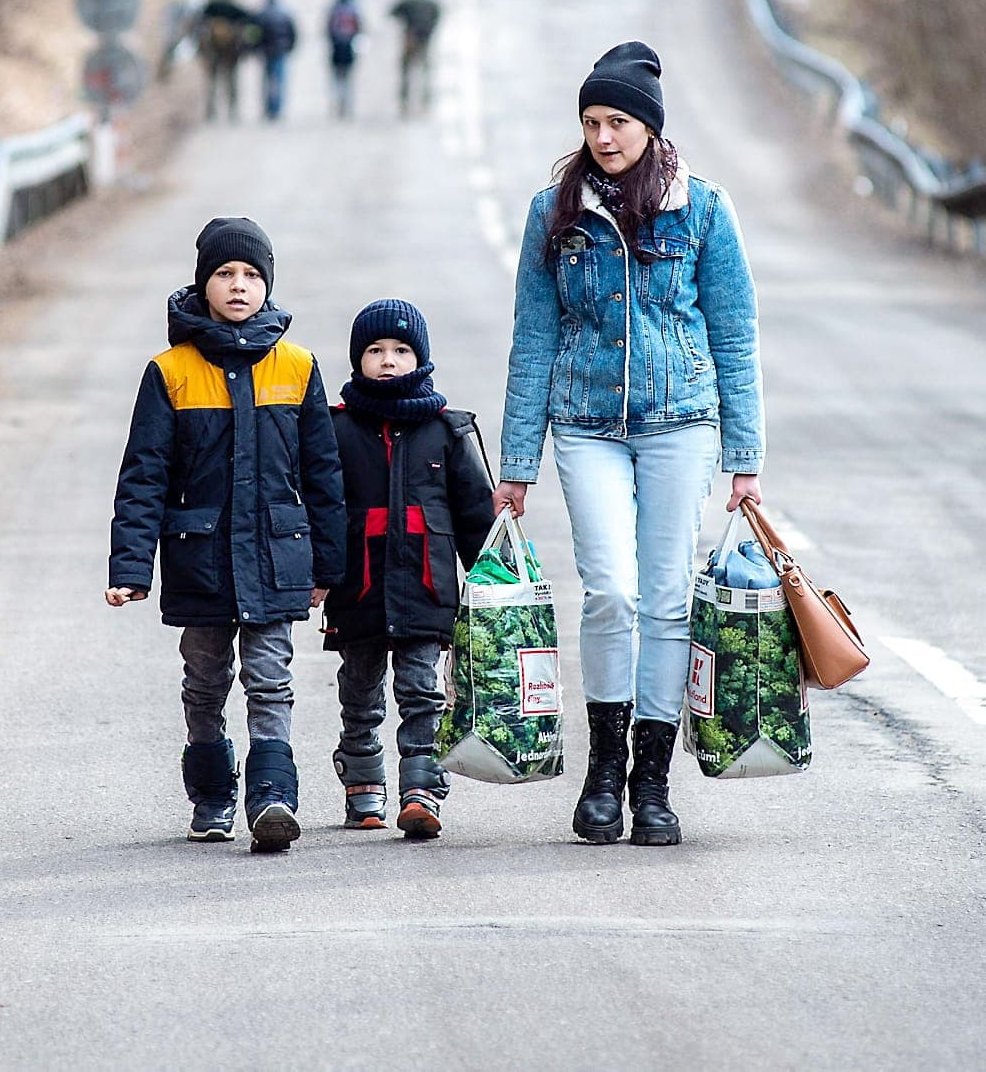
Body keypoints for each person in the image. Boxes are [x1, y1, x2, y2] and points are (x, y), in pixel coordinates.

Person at [493, 42, 764, 849]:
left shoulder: (703, 209)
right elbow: (533, 339)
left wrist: (745, 458)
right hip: (586, 424)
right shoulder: (555, 212)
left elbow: (734, 333)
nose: (603, 136)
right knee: (610, 590)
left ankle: (652, 783)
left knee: (667, 597)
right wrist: (516, 465)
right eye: (591, 122)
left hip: (681, 420)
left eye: (617, 121)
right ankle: (603, 773)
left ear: (649, 126)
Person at [108, 217, 346, 852]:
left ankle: (273, 798)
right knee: (205, 680)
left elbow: (323, 474)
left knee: (271, 679)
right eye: (224, 274)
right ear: (202, 283)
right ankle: (212, 796)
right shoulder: (171, 372)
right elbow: (144, 476)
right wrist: (130, 568)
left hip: (276, 556)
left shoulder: (298, 367)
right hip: (202, 560)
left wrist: (329, 566)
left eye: (251, 275)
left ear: (268, 284)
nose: (239, 286)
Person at [319, 300, 492, 839]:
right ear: (358, 359)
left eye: (401, 350)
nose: (388, 360)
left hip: (426, 588)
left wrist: (493, 582)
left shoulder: (447, 430)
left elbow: (475, 516)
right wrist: (316, 574)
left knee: (422, 692)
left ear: (421, 358)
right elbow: (319, 509)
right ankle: (362, 783)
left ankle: (422, 790)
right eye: (375, 351)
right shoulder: (335, 429)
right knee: (359, 693)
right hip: (358, 589)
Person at [198, 0, 256, 121]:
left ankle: (211, 112)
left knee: (213, 82)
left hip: (213, 53)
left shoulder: (211, 7)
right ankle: (233, 111)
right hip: (231, 53)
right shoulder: (235, 8)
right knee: (232, 82)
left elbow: (199, 22)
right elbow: (251, 20)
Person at [389, 0, 442, 118]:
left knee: (406, 71)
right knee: (425, 71)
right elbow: (438, 13)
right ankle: (426, 102)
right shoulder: (430, 2)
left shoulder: (407, 1)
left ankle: (405, 102)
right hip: (425, 40)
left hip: (410, 39)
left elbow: (392, 13)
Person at [255, 0, 297, 121]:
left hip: (266, 52)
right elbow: (292, 32)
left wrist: (256, 48)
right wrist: (290, 47)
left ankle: (268, 108)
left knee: (267, 81)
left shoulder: (262, 14)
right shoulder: (284, 13)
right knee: (279, 81)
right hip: (280, 51)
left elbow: (255, 34)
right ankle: (276, 108)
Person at [325, 0, 364, 119]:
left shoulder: (334, 9)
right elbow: (360, 29)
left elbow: (328, 29)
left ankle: (338, 104)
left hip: (337, 47)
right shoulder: (354, 9)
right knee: (348, 78)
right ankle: (347, 105)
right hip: (348, 47)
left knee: (337, 78)